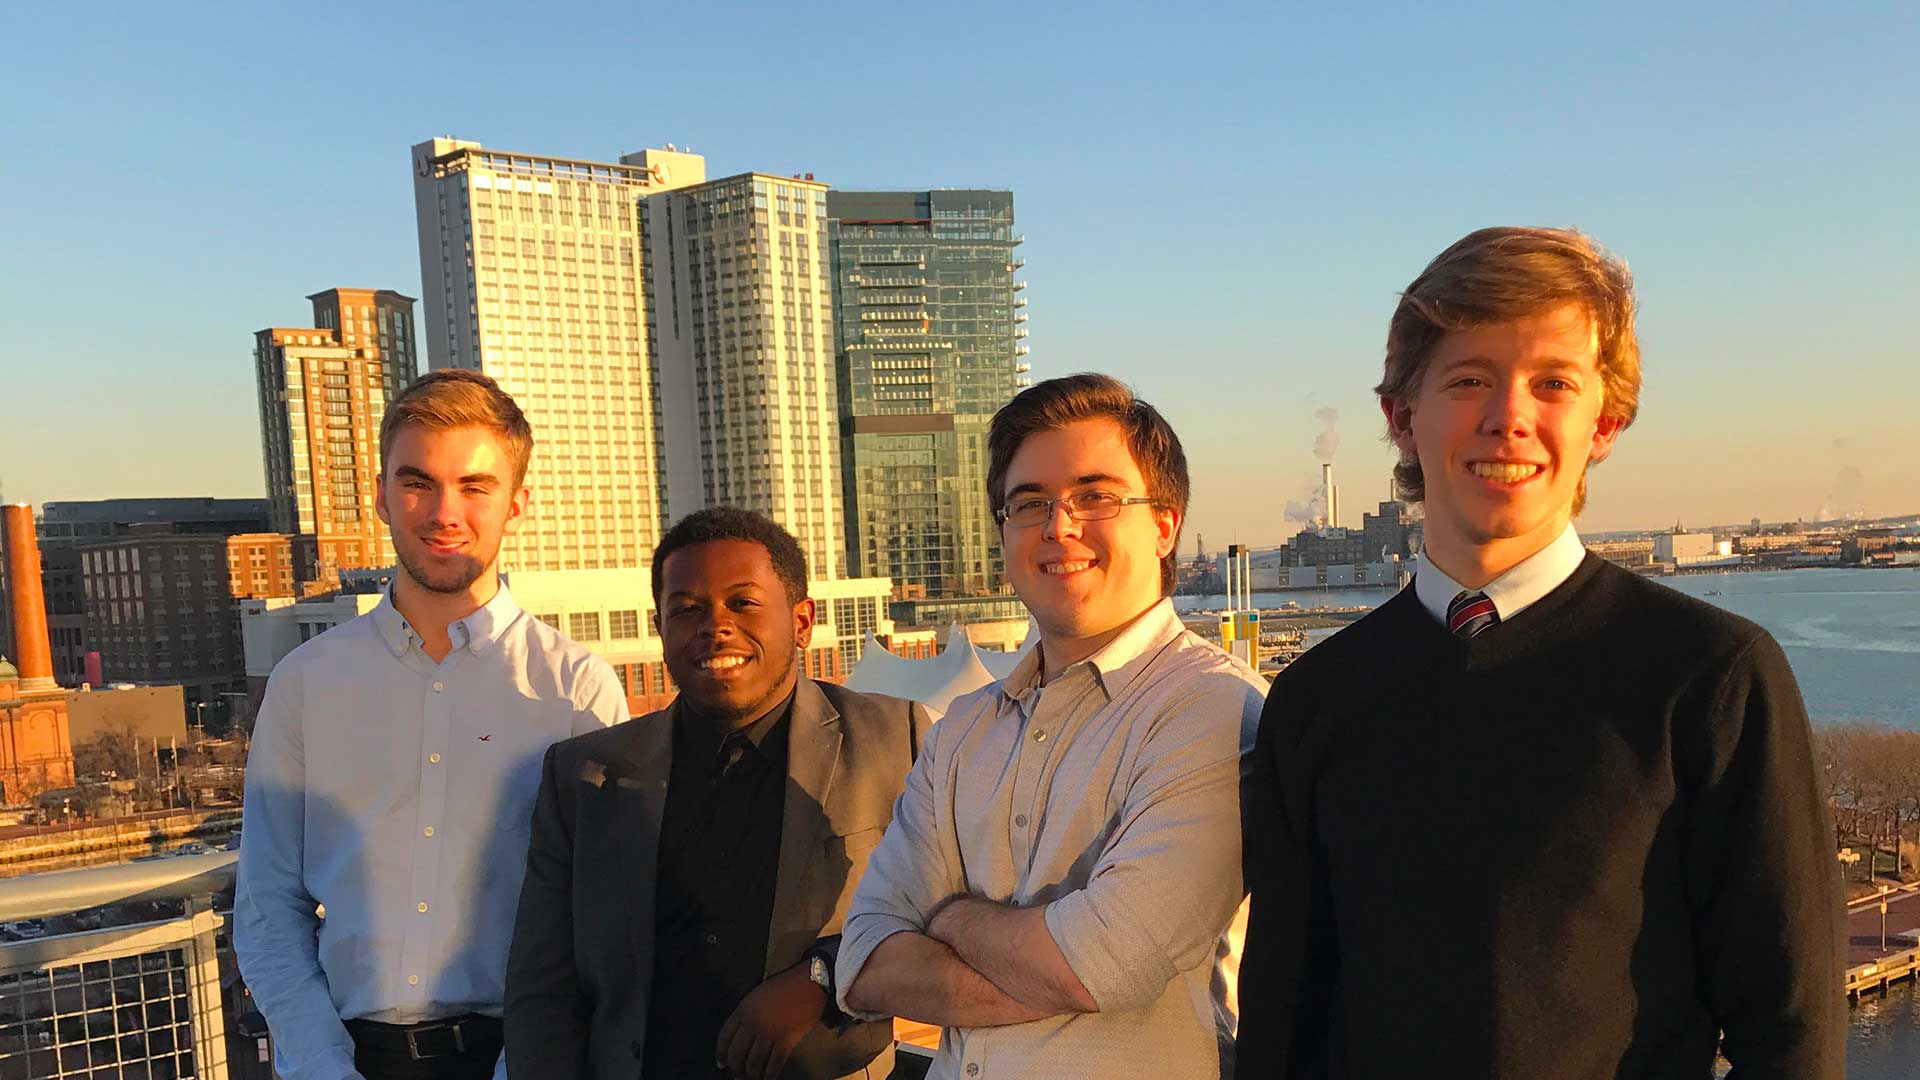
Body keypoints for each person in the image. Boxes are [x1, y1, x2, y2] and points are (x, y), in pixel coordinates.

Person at [1236, 226, 1845, 1078]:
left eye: (1552, 382)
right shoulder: (1314, 700)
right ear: (1402, 418)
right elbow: (1281, 1024)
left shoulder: (1711, 678)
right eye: (1470, 378)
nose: (1508, 418)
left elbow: (1791, 1033)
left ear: (1606, 422)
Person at [836, 373, 1266, 1079]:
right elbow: (863, 960)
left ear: (1164, 524)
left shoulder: (1213, 712)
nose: (1058, 526)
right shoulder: (963, 729)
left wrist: (946, 917)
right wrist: (1051, 962)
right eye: (1028, 503)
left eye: (1095, 496)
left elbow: (1103, 965)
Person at [236, 369, 627, 1080]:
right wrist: (324, 1066)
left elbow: (601, 917)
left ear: (517, 504)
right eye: (417, 482)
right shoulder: (308, 682)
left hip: (522, 1055)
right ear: (381, 497)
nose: (445, 511)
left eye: (475, 486)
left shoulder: (576, 687)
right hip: (345, 1056)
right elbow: (267, 904)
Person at [505, 507, 930, 1080]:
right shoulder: (584, 775)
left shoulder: (894, 740)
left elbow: (943, 912)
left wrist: (822, 978)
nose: (715, 626)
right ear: (661, 631)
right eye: (686, 610)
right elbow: (542, 986)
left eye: (743, 602)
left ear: (802, 622)